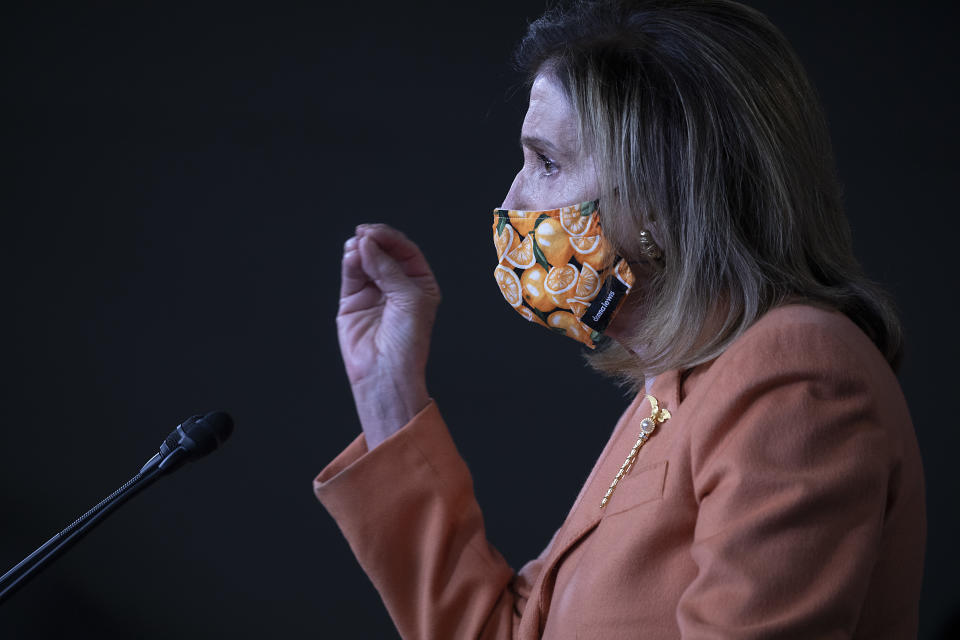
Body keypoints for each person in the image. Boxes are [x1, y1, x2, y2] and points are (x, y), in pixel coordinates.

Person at [314, 0, 925, 637]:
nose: (510, 203)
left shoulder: (794, 373)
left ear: (666, 195)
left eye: (546, 162)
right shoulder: (676, 386)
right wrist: (388, 389)